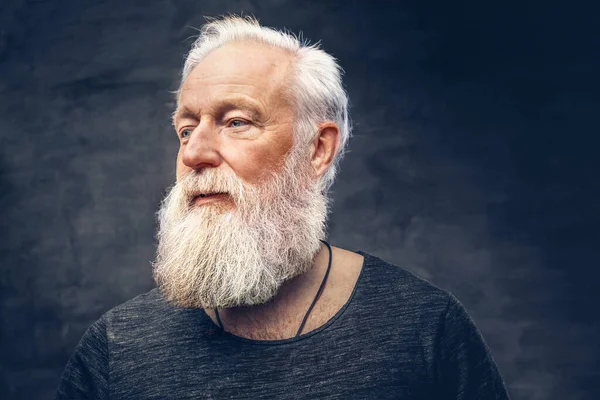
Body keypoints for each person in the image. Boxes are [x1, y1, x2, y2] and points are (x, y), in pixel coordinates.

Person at [56, 15, 510, 399]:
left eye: (236, 122)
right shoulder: (119, 346)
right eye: (186, 129)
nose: (194, 153)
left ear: (316, 149)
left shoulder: (424, 328)